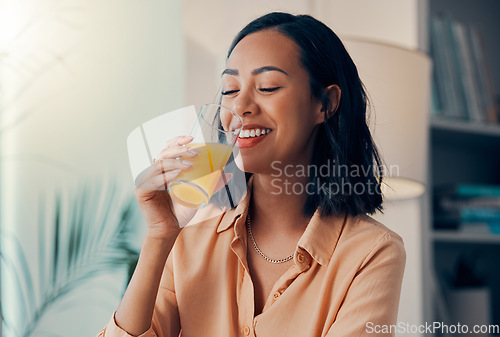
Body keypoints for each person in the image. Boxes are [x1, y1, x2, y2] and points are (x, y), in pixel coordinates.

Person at [97, 12, 405, 337]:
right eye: (230, 90)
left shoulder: (371, 253)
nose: (240, 106)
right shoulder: (190, 234)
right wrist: (159, 236)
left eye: (268, 87)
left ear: (325, 103)